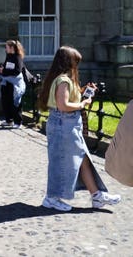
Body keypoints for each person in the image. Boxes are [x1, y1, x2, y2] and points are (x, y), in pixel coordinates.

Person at [36, 45, 121, 212]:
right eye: (76, 62)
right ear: (69, 62)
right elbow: (64, 105)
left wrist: (84, 93)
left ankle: (96, 195)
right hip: (64, 124)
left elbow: (63, 101)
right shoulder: (64, 80)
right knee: (61, 161)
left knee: (83, 159)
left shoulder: (61, 79)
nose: (77, 66)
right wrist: (83, 103)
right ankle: (52, 198)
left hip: (66, 124)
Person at [0, 39, 27, 128]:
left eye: (6, 47)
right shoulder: (8, 56)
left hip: (15, 84)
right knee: (5, 102)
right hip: (6, 83)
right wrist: (2, 70)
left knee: (15, 103)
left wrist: (4, 71)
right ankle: (8, 120)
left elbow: (17, 71)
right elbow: (6, 67)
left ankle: (18, 122)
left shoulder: (17, 57)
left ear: (11, 48)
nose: (5, 49)